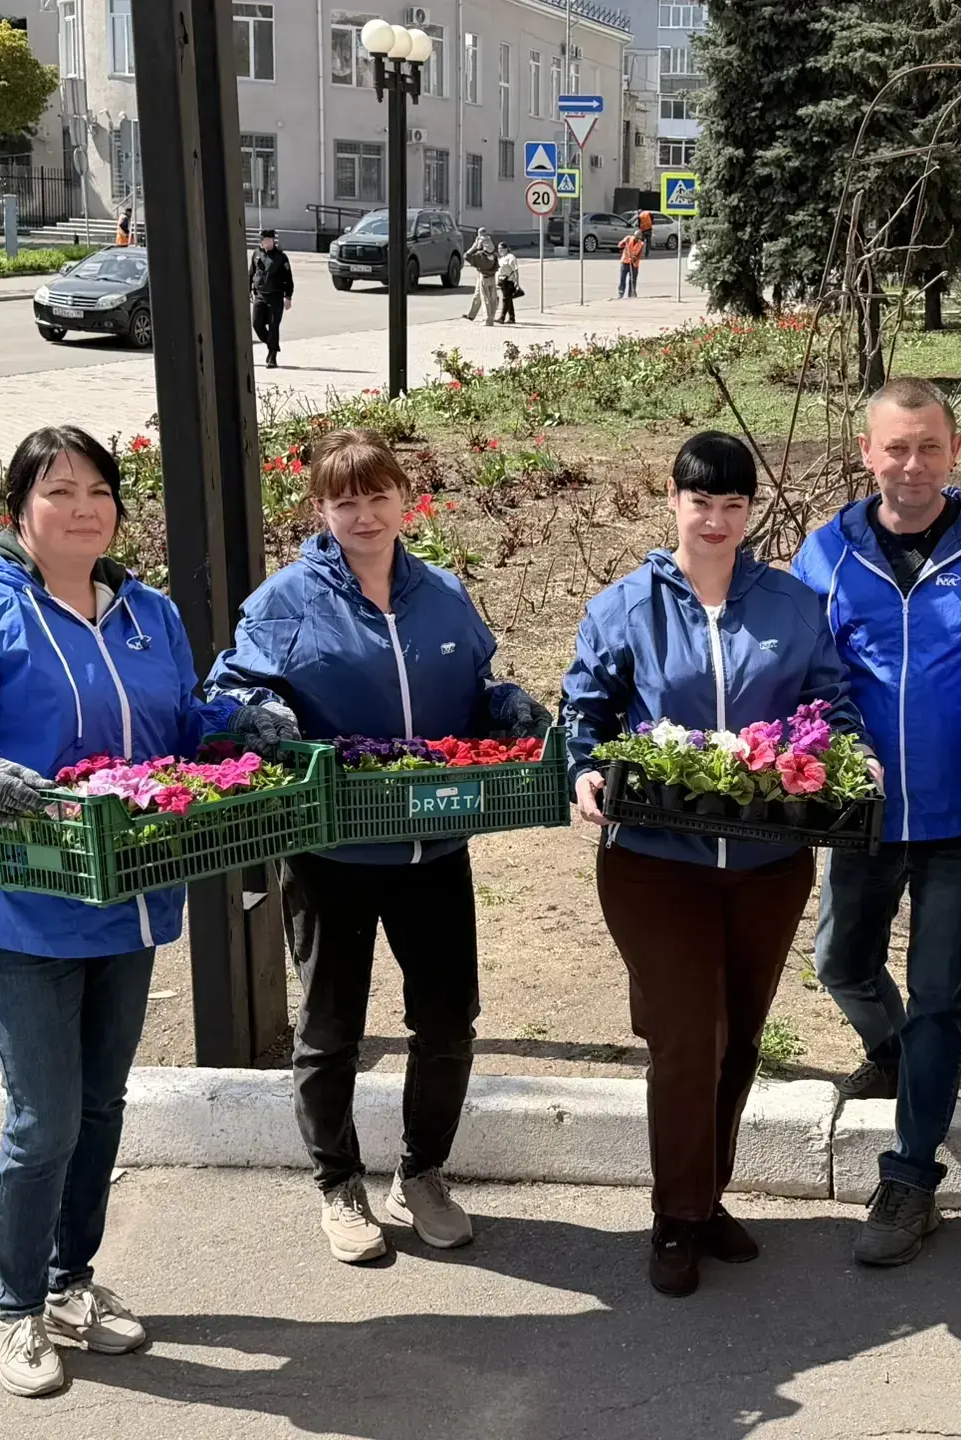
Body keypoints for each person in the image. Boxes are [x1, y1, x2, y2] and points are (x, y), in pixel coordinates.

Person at [0, 427, 296, 1399]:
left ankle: (71, 1285)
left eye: (99, 490)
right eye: (60, 491)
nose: (84, 508)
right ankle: (16, 1308)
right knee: (44, 1119)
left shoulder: (148, 613)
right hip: (20, 905)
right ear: (19, 510)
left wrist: (234, 725)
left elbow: (177, 721)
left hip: (127, 898)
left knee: (102, 1105)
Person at [206, 429, 550, 1266]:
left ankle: (421, 1174)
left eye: (377, 495)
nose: (363, 515)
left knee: (448, 1023)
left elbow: (473, 687)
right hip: (334, 852)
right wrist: (262, 718)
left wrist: (505, 706)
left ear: (404, 499)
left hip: (435, 849)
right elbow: (233, 687)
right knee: (331, 1030)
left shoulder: (442, 593)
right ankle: (338, 1186)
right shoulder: (286, 602)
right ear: (320, 510)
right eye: (344, 501)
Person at [562, 432, 866, 1298]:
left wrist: (855, 759)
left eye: (734, 505)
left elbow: (830, 704)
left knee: (739, 1038)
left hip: (769, 864)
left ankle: (704, 1198)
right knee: (690, 1036)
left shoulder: (791, 605)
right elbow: (585, 711)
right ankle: (675, 1214)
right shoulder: (626, 607)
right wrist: (583, 769)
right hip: (655, 862)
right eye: (702, 503)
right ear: (674, 498)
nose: (717, 521)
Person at [790, 379, 961, 1267]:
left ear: (955, 450)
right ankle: (892, 1050)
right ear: (867, 453)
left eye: (929, 446)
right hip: (862, 813)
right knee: (840, 961)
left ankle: (909, 1177)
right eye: (895, 447)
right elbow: (803, 672)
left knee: (940, 995)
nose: (912, 465)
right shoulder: (827, 552)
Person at [249, 228, 294, 369]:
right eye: (263, 240)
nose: (265, 243)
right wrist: (248, 289)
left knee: (274, 326)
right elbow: (251, 273)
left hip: (276, 296)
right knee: (257, 324)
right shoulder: (256, 254)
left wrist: (288, 297)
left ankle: (272, 357)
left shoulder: (281, 257)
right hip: (260, 295)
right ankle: (272, 344)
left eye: (268, 240)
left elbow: (288, 278)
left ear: (273, 241)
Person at [464, 228, 500, 325]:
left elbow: (466, 256)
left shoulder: (480, 256)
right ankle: (475, 315)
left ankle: (488, 320)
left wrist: (474, 246)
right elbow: (497, 266)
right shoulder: (494, 256)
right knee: (491, 298)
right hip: (492, 277)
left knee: (485, 298)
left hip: (483, 277)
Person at [496, 248, 522, 326]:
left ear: (506, 249)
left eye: (501, 248)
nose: (499, 250)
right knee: (508, 299)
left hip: (509, 281)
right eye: (498, 249)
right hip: (502, 281)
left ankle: (502, 317)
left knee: (505, 299)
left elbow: (515, 270)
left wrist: (517, 282)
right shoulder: (501, 258)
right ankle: (511, 318)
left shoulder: (511, 257)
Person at [618, 229, 645, 298]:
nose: (636, 239)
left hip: (634, 264)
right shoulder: (628, 238)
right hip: (625, 262)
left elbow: (640, 255)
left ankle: (631, 294)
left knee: (632, 280)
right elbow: (620, 245)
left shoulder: (641, 244)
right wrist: (623, 243)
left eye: (638, 238)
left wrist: (634, 259)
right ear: (634, 235)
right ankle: (621, 293)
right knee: (622, 279)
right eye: (636, 237)